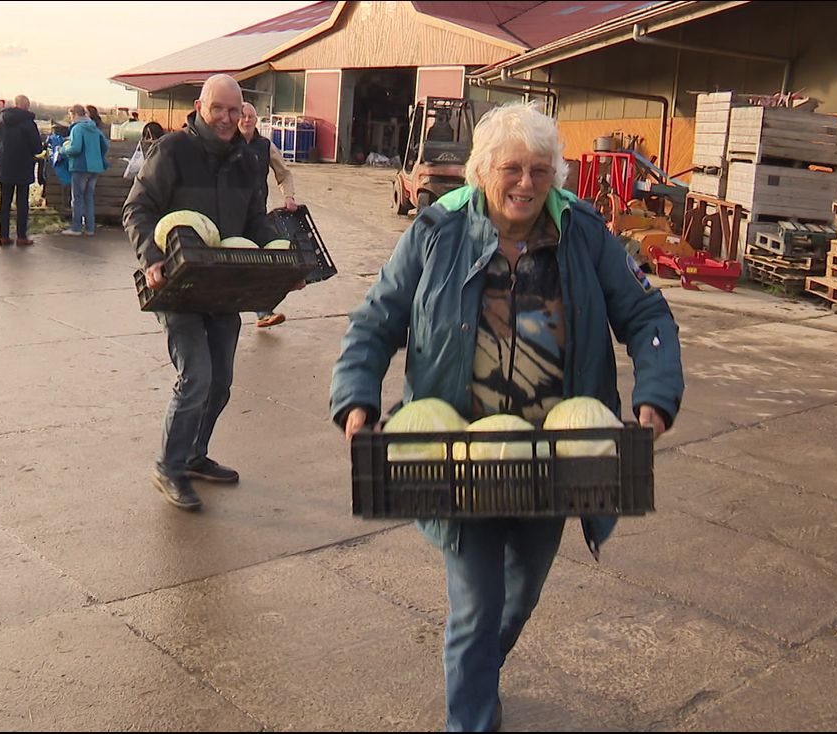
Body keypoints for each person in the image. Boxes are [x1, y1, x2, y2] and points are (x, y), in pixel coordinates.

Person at [329, 102, 684, 732]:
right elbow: (376, 319)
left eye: (540, 170)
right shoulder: (437, 230)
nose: (526, 183)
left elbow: (647, 314)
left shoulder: (584, 232)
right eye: (512, 169)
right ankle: (471, 716)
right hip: (459, 458)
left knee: (517, 601)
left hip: (555, 461)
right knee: (476, 608)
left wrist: (654, 398)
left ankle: (477, 676)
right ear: (482, 170)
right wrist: (357, 398)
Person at [124, 74, 279, 511]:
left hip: (223, 285)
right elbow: (137, 208)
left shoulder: (247, 160)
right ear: (200, 107)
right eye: (218, 109)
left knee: (221, 382)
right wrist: (152, 257)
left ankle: (194, 454)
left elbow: (255, 221)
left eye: (234, 110)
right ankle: (169, 466)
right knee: (197, 377)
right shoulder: (172, 151)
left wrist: (280, 255)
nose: (227, 118)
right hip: (177, 283)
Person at [238, 102, 299, 329]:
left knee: (268, 260)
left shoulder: (265, 146)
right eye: (243, 116)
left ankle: (263, 311)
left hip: (256, 214)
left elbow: (284, 174)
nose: (247, 120)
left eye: (251, 117)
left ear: (256, 120)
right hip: (230, 215)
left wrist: (289, 197)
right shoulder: (227, 143)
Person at [0, 95, 43, 247]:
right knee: (22, 203)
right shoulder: (28, 123)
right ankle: (21, 236)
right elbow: (37, 147)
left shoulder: (1, 120)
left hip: (4, 165)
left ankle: (3, 236)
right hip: (23, 166)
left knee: (4, 203)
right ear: (26, 106)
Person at [60, 104, 109, 236]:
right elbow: (105, 145)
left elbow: (75, 148)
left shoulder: (77, 128)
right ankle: (90, 228)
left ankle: (76, 228)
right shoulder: (94, 128)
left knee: (77, 198)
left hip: (80, 166)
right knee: (88, 197)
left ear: (75, 114)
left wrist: (62, 150)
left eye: (71, 116)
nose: (70, 119)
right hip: (95, 167)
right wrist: (97, 155)